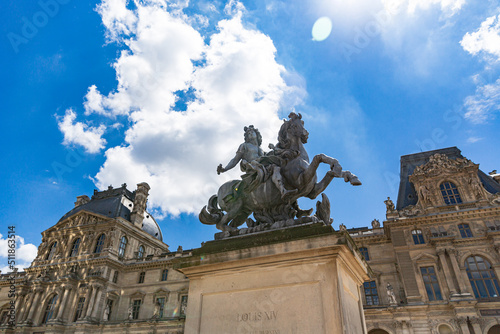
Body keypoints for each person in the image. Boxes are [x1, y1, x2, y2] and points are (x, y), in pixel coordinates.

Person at [217, 125, 297, 201]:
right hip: (253, 167)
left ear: (257, 134)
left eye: (252, 132)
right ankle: (283, 190)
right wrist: (225, 169)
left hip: (263, 165)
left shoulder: (261, 149)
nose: (250, 134)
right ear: (246, 137)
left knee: (281, 167)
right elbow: (235, 160)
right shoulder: (244, 145)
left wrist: (274, 148)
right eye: (248, 134)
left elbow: (267, 157)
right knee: (275, 167)